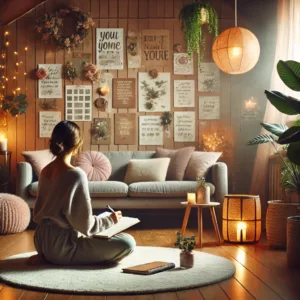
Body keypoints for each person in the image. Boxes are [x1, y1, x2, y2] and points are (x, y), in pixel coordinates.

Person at [30, 120, 136, 265]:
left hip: (41, 242)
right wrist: (111, 219)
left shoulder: (45, 171)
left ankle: (48, 256)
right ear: (76, 146)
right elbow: (86, 226)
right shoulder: (75, 175)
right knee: (127, 242)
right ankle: (59, 258)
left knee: (98, 234)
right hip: (63, 247)